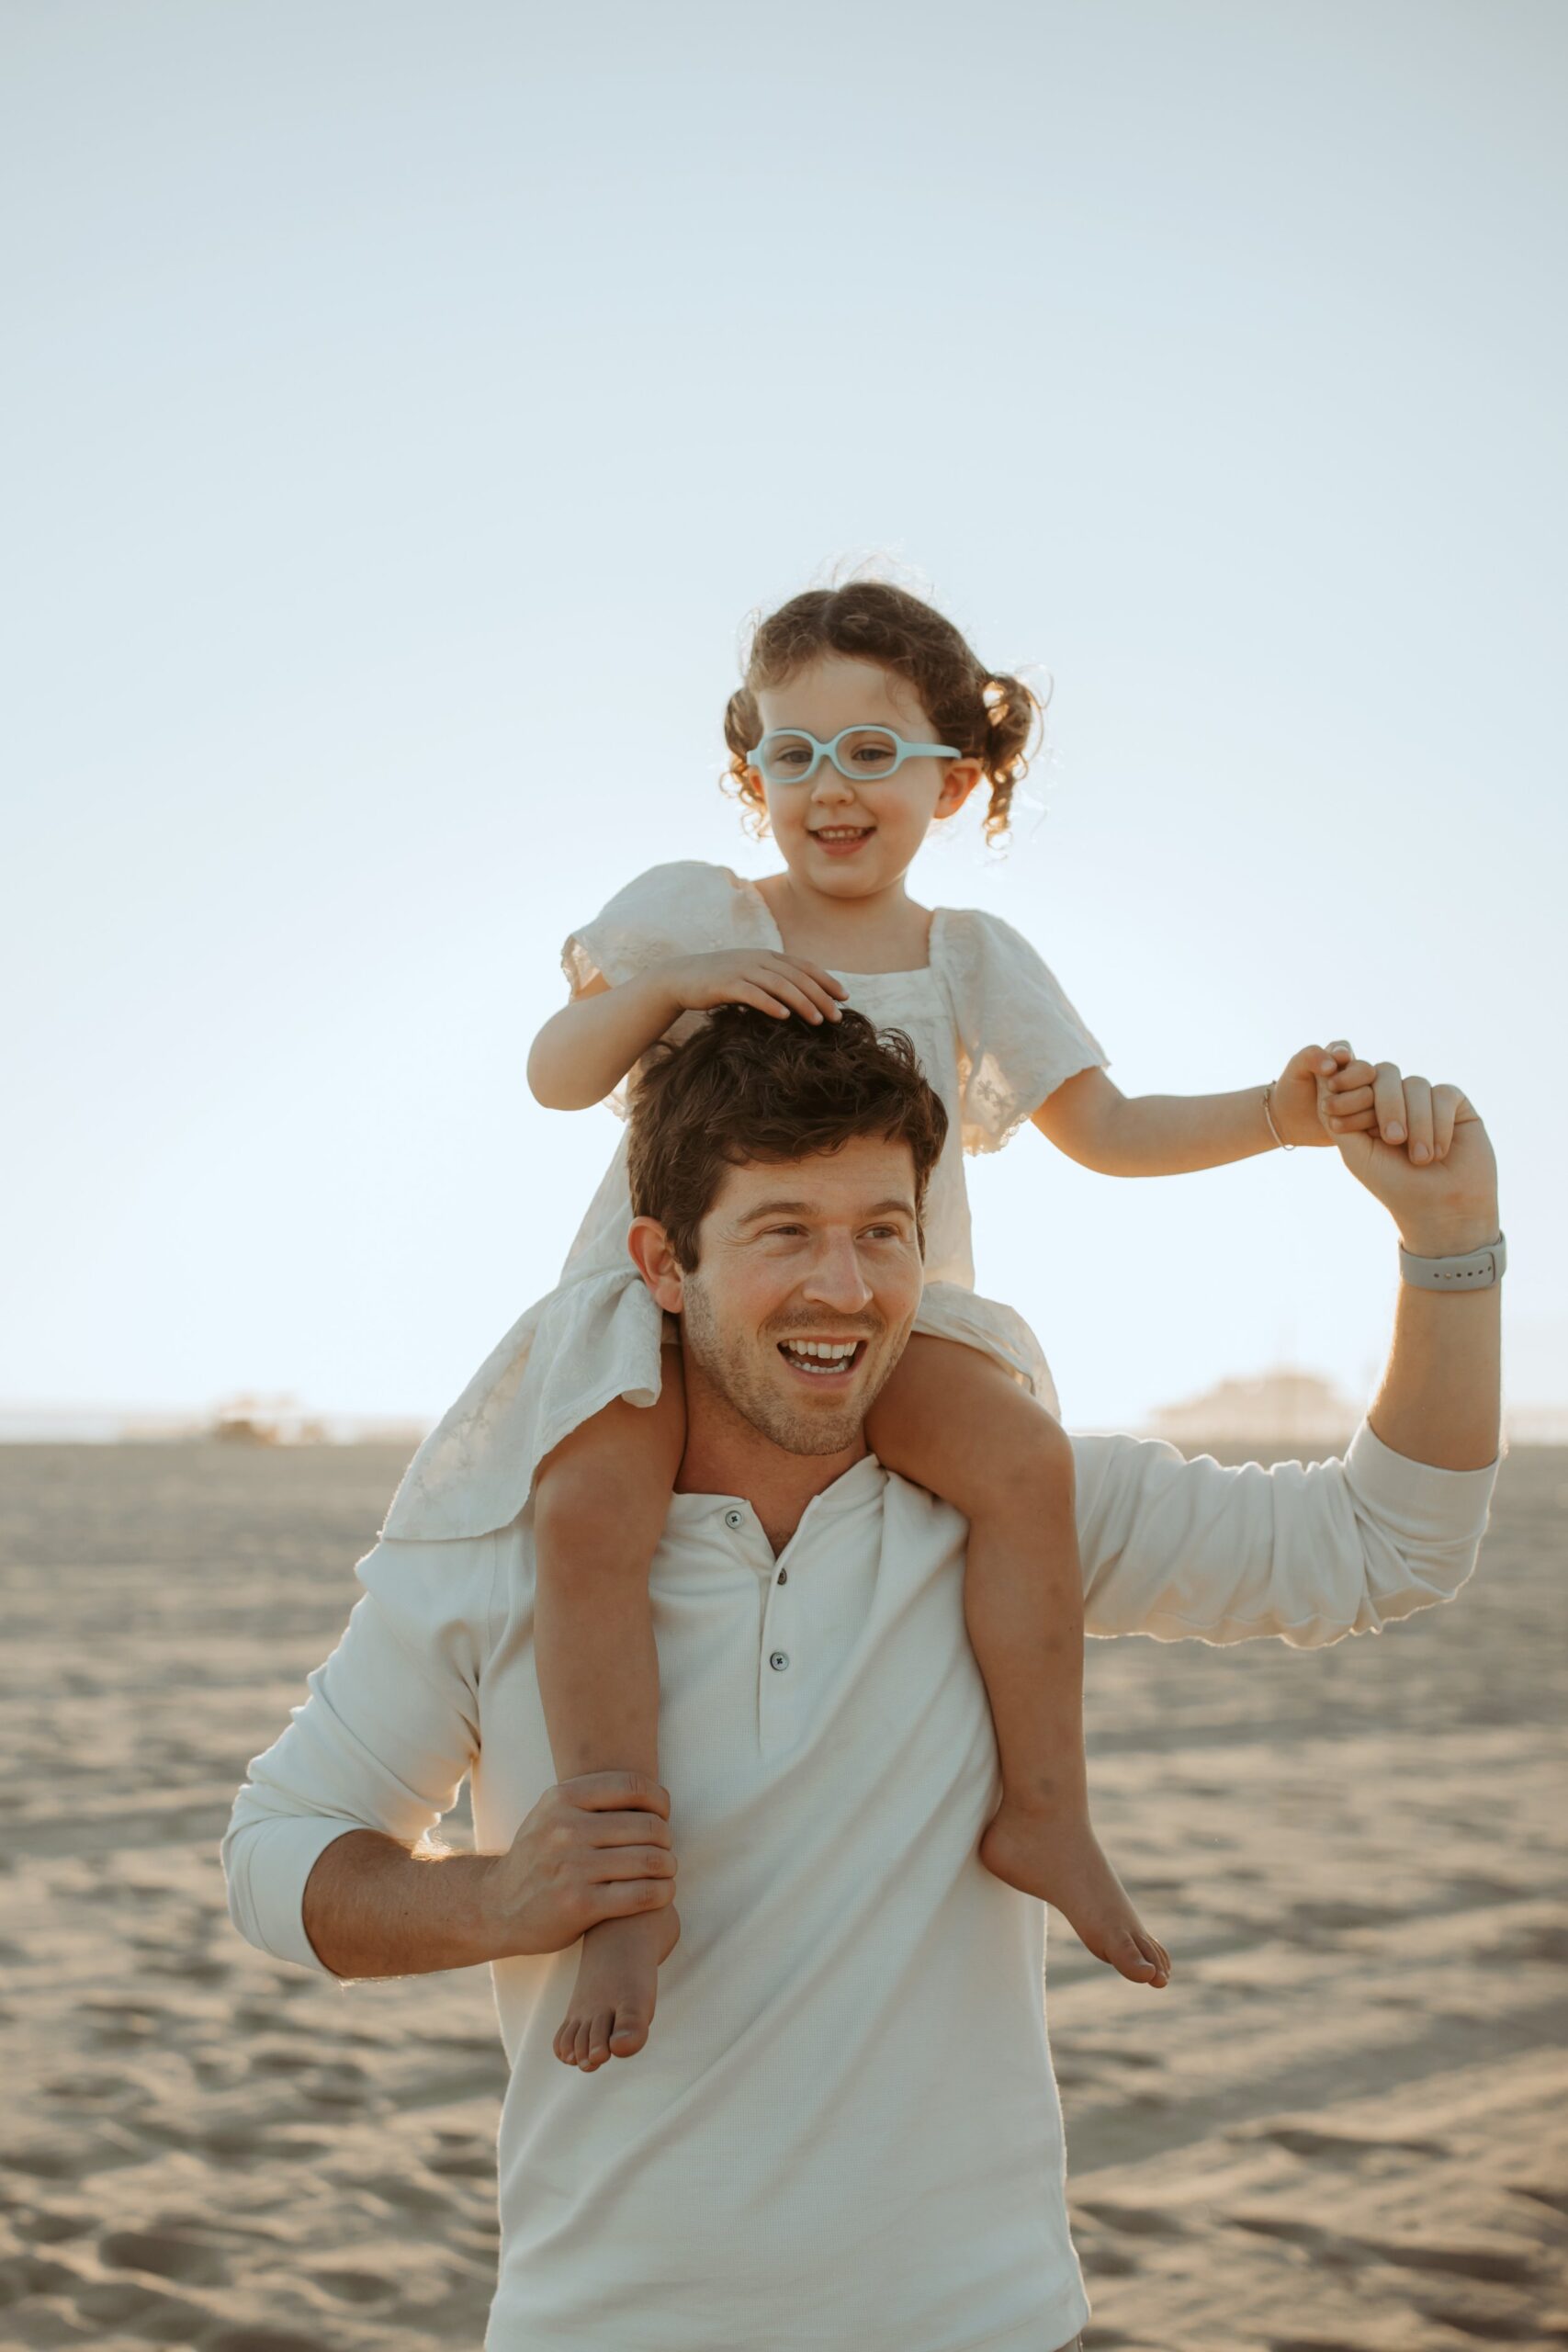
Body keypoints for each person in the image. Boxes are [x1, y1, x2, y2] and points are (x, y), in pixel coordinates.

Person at [222, 1003, 1502, 2352]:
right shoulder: (504, 1549)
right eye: (784, 1232)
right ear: (664, 1262)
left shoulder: (1018, 1509)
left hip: (991, 2326)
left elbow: (1384, 1551)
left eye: (882, 1232)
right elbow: (277, 1857)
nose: (846, 1287)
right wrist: (501, 1896)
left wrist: (1451, 1244)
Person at [378, 578, 1442, 2071]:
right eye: (794, 754)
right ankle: (624, 1893)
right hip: (666, 1307)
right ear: (751, 774)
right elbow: (559, 1074)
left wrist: (1277, 1115)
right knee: (585, 1520)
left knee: (1024, 1467)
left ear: (952, 775)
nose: (831, 789)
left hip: (887, 1316)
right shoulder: (699, 913)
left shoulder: (973, 962)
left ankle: (1047, 1811)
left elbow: (1111, 1128)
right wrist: (675, 986)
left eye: (873, 753)